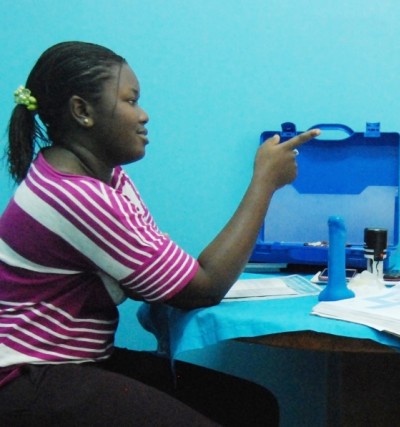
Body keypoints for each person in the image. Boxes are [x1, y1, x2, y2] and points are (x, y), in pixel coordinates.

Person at [0, 41, 320, 426]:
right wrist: (264, 182)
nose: (143, 115)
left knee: (252, 406)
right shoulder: (74, 194)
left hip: (73, 362)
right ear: (82, 111)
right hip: (27, 376)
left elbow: (153, 277)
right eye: (130, 101)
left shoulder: (106, 177)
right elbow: (200, 289)